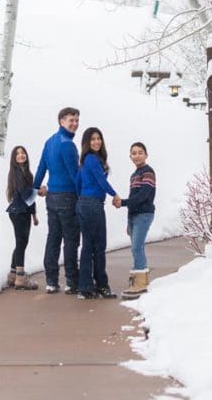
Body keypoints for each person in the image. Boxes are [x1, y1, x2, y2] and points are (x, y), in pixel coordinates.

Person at [33, 107, 82, 295]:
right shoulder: (67, 144)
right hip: (68, 196)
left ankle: (51, 281)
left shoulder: (49, 142)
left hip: (52, 198)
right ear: (61, 121)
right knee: (70, 239)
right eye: (71, 120)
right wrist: (84, 194)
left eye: (77, 120)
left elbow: (41, 168)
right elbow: (74, 174)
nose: (75, 123)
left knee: (53, 238)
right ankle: (71, 281)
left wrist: (36, 187)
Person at [75, 126, 120, 300]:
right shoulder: (92, 159)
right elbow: (101, 181)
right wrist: (114, 195)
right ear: (87, 142)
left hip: (85, 204)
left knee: (88, 245)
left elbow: (78, 183)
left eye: (98, 138)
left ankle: (86, 287)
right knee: (98, 246)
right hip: (92, 205)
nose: (96, 141)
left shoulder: (86, 160)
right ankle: (102, 285)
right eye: (92, 139)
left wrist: (83, 199)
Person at [113, 142, 156, 298]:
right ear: (130, 156)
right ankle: (140, 279)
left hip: (144, 214)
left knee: (136, 247)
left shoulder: (148, 172)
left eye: (140, 152)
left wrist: (122, 202)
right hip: (134, 216)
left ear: (146, 155)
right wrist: (128, 221)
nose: (137, 155)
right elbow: (133, 198)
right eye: (134, 153)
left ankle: (140, 284)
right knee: (137, 247)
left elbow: (143, 196)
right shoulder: (134, 175)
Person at [5, 145, 39, 290]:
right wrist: (39, 190)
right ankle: (20, 276)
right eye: (17, 154)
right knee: (21, 243)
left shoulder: (27, 173)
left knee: (21, 242)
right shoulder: (16, 173)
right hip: (18, 212)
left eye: (23, 152)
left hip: (23, 212)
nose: (21, 155)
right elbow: (26, 195)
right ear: (14, 158)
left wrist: (34, 215)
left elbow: (30, 199)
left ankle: (13, 274)